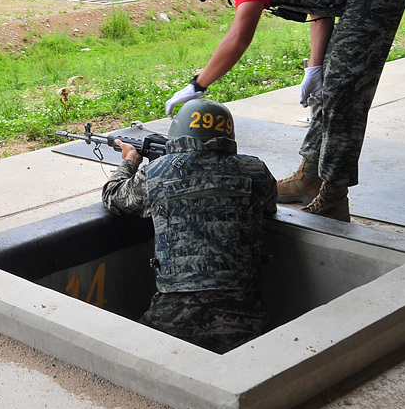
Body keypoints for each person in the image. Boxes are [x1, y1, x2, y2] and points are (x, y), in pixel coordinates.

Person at [168, 0, 405, 221]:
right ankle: (309, 178)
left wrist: (198, 84)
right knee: (327, 90)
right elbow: (319, 4)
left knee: (344, 94)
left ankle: (334, 196)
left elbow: (238, 38)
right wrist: (315, 67)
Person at [102, 98, 277, 354]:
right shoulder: (256, 170)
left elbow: (113, 195)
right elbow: (269, 205)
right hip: (245, 315)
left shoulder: (155, 174)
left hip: (173, 314)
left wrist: (129, 161)